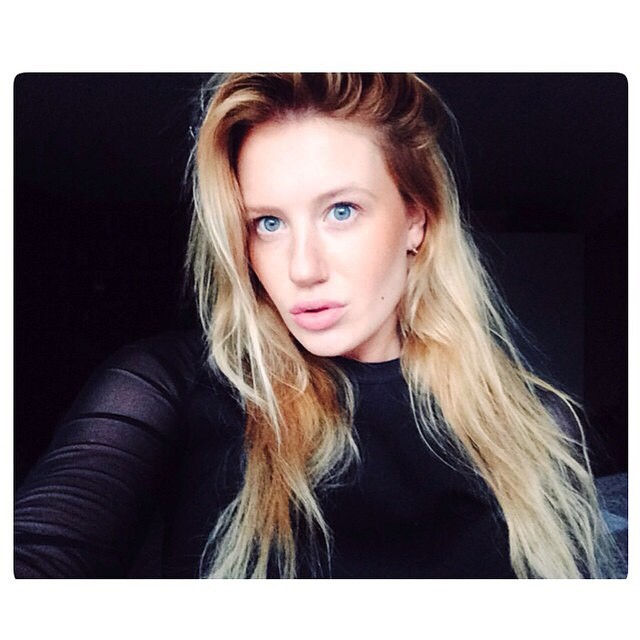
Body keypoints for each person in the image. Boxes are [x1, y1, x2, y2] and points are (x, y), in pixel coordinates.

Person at [14, 73, 616, 578]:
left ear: (416, 220)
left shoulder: (537, 424)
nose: (302, 269)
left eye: (341, 210)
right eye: (268, 224)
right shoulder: (163, 386)